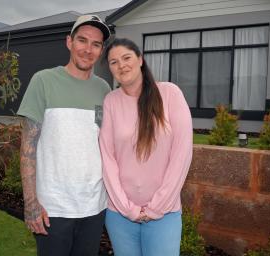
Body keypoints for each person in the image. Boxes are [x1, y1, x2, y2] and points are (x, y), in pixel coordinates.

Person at [17, 15, 111, 256]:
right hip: (53, 208)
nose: (88, 49)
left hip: (94, 205)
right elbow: (28, 146)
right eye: (82, 40)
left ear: (101, 50)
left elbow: (104, 143)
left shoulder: (104, 89)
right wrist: (31, 204)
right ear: (69, 42)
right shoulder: (43, 80)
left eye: (96, 44)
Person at [99, 38, 193, 256]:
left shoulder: (169, 94)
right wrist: (127, 208)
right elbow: (107, 157)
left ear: (140, 59)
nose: (121, 65)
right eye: (113, 62)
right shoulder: (110, 101)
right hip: (120, 215)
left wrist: (157, 207)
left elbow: (182, 154)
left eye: (126, 57)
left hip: (164, 214)